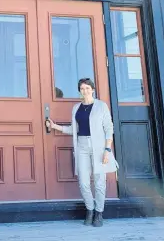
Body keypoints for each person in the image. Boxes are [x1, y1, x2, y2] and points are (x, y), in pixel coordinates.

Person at [46, 78, 118, 227]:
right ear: (79, 91)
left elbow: (109, 129)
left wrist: (107, 149)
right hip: (82, 146)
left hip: (99, 146)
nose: (85, 91)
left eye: (87, 88)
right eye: (82, 88)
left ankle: (99, 213)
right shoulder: (76, 108)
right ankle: (90, 210)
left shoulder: (101, 106)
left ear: (92, 89)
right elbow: (74, 129)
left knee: (99, 182)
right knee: (83, 182)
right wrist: (55, 127)